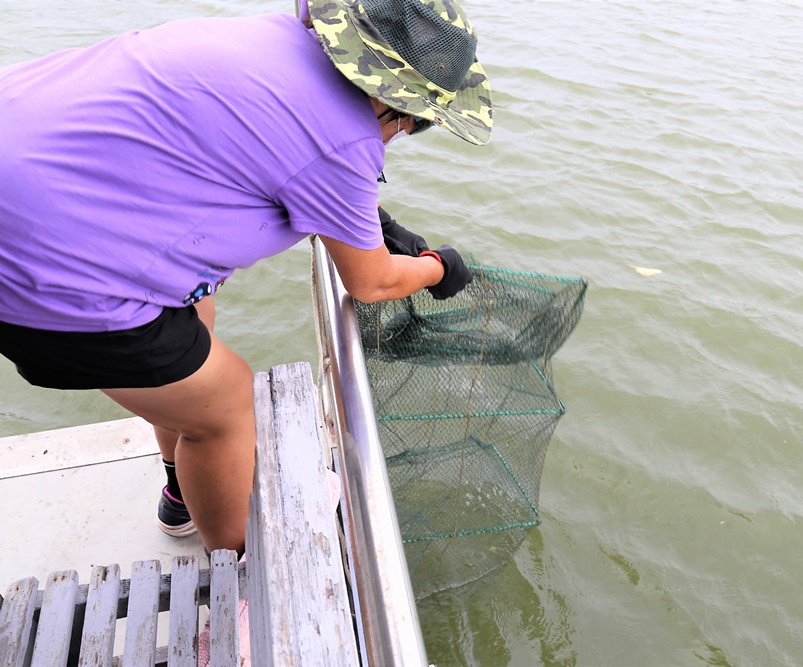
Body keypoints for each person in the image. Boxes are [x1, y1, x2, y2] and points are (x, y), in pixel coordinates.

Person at [0, 0, 492, 556]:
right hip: (31, 251)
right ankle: (239, 569)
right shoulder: (344, 141)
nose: (406, 131)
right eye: (416, 121)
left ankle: (186, 492)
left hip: (22, 146)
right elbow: (372, 282)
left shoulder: (268, 41)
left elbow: (248, 149)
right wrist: (436, 267)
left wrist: (371, 220)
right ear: (393, 98)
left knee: (193, 332)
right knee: (228, 408)